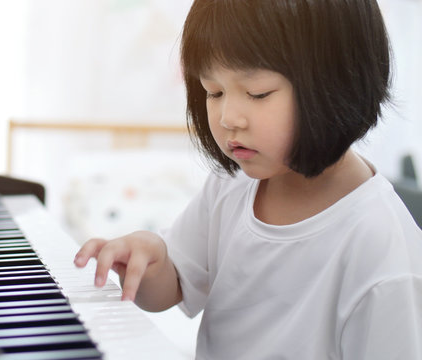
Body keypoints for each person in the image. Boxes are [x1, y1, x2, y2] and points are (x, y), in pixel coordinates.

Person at [73, 0, 422, 358]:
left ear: (339, 81)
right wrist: (150, 262)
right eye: (214, 92)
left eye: (257, 93)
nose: (228, 118)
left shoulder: (382, 249)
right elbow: (175, 286)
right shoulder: (233, 186)